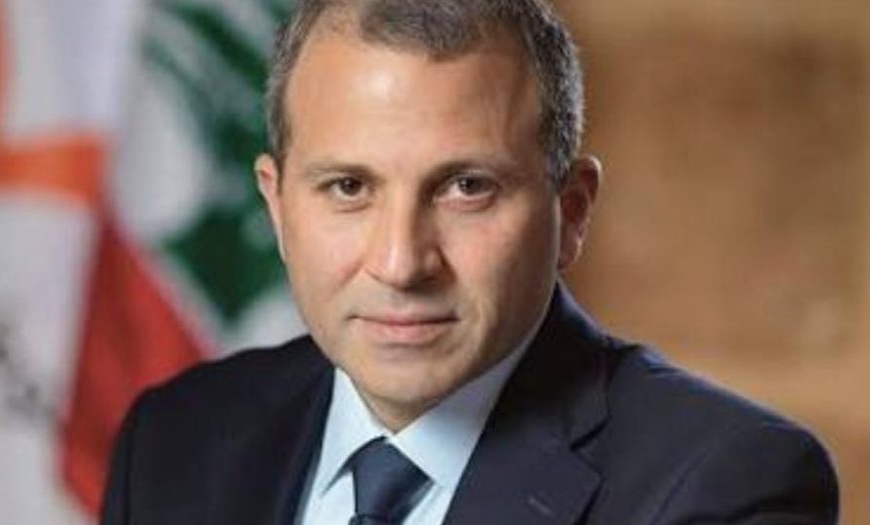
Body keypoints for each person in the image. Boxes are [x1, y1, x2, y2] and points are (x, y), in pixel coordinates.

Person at [100, 0, 840, 523]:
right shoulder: (172, 442)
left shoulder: (725, 488)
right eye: (349, 188)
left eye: (466, 188)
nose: (401, 262)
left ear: (572, 211)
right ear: (277, 207)